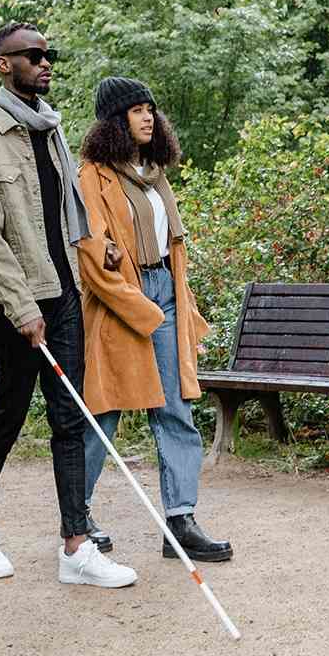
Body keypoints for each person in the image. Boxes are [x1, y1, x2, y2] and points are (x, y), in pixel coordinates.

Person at [0, 22, 137, 588]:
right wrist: (20, 306)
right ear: (3, 65)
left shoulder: (52, 129)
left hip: (63, 295)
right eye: (32, 55)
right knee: (8, 413)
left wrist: (95, 247)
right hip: (16, 301)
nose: (45, 61)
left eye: (47, 53)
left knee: (70, 418)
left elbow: (62, 213)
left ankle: (75, 546)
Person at [74, 76, 233, 563]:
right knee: (104, 413)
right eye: (136, 110)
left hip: (164, 293)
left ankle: (180, 522)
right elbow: (91, 255)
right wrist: (140, 306)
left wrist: (175, 306)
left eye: (151, 108)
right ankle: (75, 517)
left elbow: (172, 248)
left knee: (176, 411)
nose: (148, 116)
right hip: (122, 302)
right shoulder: (92, 177)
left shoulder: (155, 174)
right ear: (115, 121)